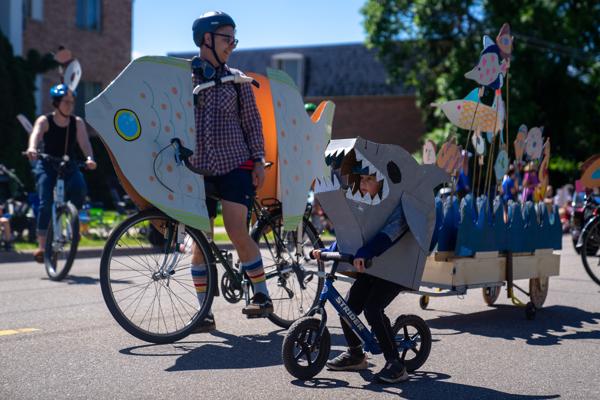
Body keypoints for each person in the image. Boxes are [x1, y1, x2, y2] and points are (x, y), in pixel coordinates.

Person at [189, 11, 272, 333]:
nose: (232, 46)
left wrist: (259, 160)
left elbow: (253, 124)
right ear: (206, 39)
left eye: (234, 39)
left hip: (236, 163)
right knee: (200, 239)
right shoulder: (184, 78)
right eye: (227, 39)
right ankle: (202, 314)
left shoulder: (237, 81)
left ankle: (262, 295)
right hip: (197, 169)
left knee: (236, 229)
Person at [312, 169, 410, 384]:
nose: (363, 184)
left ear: (382, 183)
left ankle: (396, 364)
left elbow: (389, 234)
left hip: (395, 268)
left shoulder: (396, 206)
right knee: (348, 308)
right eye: (361, 179)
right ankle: (356, 354)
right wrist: (328, 249)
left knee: (373, 308)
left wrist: (366, 252)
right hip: (373, 268)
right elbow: (353, 235)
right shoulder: (364, 206)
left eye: (369, 179)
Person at [25, 84, 96, 262]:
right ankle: (42, 247)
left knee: (80, 188)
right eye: (66, 101)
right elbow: (35, 134)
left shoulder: (76, 122)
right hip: (47, 163)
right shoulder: (45, 120)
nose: (70, 105)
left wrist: (89, 158)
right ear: (56, 103)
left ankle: (71, 219)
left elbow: (84, 143)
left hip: (68, 164)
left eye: (72, 102)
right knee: (45, 201)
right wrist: (32, 148)